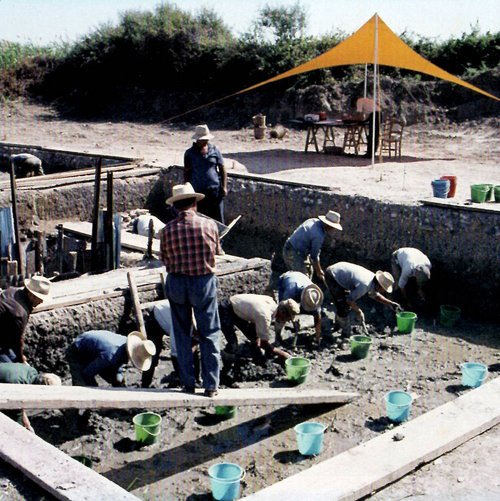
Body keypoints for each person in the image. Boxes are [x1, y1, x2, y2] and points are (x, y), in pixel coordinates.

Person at [160, 182, 224, 397]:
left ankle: (188, 383)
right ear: (195, 202)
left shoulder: (166, 230)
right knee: (209, 333)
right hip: (202, 283)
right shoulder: (209, 226)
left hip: (177, 283)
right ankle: (211, 385)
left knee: (182, 334)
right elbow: (217, 252)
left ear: (176, 206)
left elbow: (165, 260)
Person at [219, 294, 300, 366]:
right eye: (287, 318)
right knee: (233, 345)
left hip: (238, 308)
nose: (286, 321)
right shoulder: (265, 316)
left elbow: (256, 322)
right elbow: (264, 344)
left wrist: (257, 345)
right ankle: (226, 362)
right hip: (226, 308)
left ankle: (254, 351)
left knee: (254, 336)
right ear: (282, 312)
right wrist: (282, 354)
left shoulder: (271, 303)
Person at [324, 262, 401, 335]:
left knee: (343, 304)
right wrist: (359, 311)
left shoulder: (373, 280)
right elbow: (349, 300)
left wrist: (390, 303)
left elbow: (375, 295)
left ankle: (338, 324)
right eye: (383, 289)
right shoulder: (364, 285)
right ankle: (345, 333)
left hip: (341, 272)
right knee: (343, 306)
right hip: (333, 275)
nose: (383, 291)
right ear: (379, 285)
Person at [141, 299, 201, 389]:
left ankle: (196, 379)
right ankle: (145, 385)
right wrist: (182, 377)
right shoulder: (180, 323)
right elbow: (175, 354)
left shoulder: (200, 320)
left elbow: (197, 348)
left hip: (170, 315)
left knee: (195, 352)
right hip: (155, 319)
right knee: (153, 353)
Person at [66, 330, 156, 387]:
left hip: (96, 351)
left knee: (118, 380)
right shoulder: (110, 356)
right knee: (84, 387)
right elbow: (87, 373)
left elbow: (117, 362)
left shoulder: (125, 343)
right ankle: (73, 415)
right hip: (77, 351)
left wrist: (119, 379)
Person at [0, 276, 51, 364]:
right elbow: (17, 342)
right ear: (31, 295)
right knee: (14, 370)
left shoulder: (12, 290)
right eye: (40, 298)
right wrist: (21, 360)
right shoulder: (20, 313)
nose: (41, 302)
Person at [184, 124, 227, 223]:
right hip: (198, 192)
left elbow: (222, 168)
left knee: (218, 218)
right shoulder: (189, 154)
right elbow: (187, 172)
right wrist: (187, 188)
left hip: (214, 190)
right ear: (197, 140)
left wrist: (224, 187)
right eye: (203, 140)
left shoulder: (214, 150)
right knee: (201, 218)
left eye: (206, 139)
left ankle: (219, 238)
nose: (205, 141)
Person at [282, 210, 343, 281]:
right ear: (329, 226)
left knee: (310, 271)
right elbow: (314, 256)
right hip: (292, 252)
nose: (333, 229)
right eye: (333, 227)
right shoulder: (318, 235)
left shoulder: (313, 220)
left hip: (298, 250)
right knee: (303, 278)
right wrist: (319, 271)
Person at [0, 362, 61, 432]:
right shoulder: (18, 386)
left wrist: (27, 423)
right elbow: (16, 411)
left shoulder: (32, 371)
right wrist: (24, 430)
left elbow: (19, 406)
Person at [277, 271, 324, 344]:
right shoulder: (291, 290)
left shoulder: (314, 295)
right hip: (286, 278)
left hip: (300, 278)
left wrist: (318, 338)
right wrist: (294, 321)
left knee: (316, 313)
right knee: (282, 313)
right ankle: (278, 337)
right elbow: (287, 308)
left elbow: (318, 317)